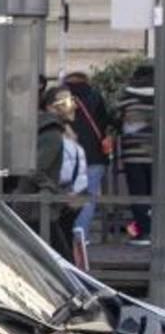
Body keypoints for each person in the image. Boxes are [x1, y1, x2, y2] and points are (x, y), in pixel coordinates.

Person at [33, 85, 89, 261]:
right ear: (50, 107)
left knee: (63, 252)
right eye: (65, 101)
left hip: (66, 201)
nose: (71, 106)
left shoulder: (64, 133)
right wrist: (61, 194)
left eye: (71, 100)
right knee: (61, 256)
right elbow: (41, 169)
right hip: (57, 202)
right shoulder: (53, 134)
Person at [62, 69, 113, 248]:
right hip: (94, 155)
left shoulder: (63, 99)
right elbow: (105, 121)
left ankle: (67, 234)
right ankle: (81, 235)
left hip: (69, 154)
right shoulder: (95, 96)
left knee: (68, 194)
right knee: (89, 195)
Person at [118, 64, 154, 247]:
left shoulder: (128, 98)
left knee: (139, 194)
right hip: (159, 155)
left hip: (133, 153)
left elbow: (116, 119)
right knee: (158, 194)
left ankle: (144, 232)